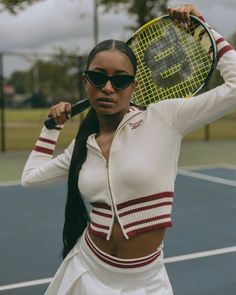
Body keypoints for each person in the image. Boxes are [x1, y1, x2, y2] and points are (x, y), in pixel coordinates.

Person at [21, 3, 236, 295]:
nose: (108, 88)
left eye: (120, 80)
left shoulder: (165, 118)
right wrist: (50, 129)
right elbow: (30, 177)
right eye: (98, 78)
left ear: (134, 86)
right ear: (86, 83)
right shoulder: (82, 145)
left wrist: (203, 31)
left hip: (145, 282)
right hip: (86, 270)